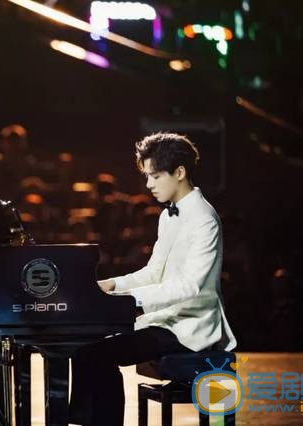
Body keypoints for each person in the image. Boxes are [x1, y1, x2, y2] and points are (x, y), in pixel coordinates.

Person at [68, 132, 237, 426]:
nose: (148, 184)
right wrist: (113, 285)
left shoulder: (204, 219)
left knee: (97, 354)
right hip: (165, 321)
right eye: (147, 176)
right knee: (85, 349)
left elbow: (189, 286)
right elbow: (153, 272)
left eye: (155, 176)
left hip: (190, 328)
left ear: (179, 173)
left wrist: (131, 300)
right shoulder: (168, 216)